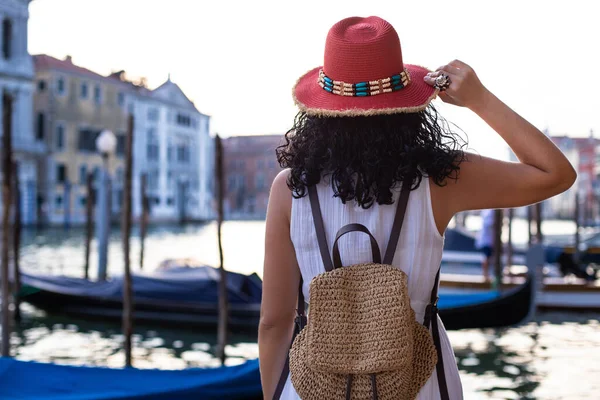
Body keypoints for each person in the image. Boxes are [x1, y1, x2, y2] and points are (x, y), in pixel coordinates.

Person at [259, 16, 576, 400]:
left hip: (313, 387)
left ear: (321, 109)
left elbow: (274, 323)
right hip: (420, 382)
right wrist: (480, 99)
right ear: (407, 104)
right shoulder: (443, 179)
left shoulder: (290, 188)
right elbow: (555, 174)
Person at [475, 209, 496, 282]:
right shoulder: (490, 211)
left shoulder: (487, 211)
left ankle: (487, 275)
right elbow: (489, 224)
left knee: (488, 257)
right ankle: (485, 275)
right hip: (487, 240)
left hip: (488, 239)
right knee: (487, 257)